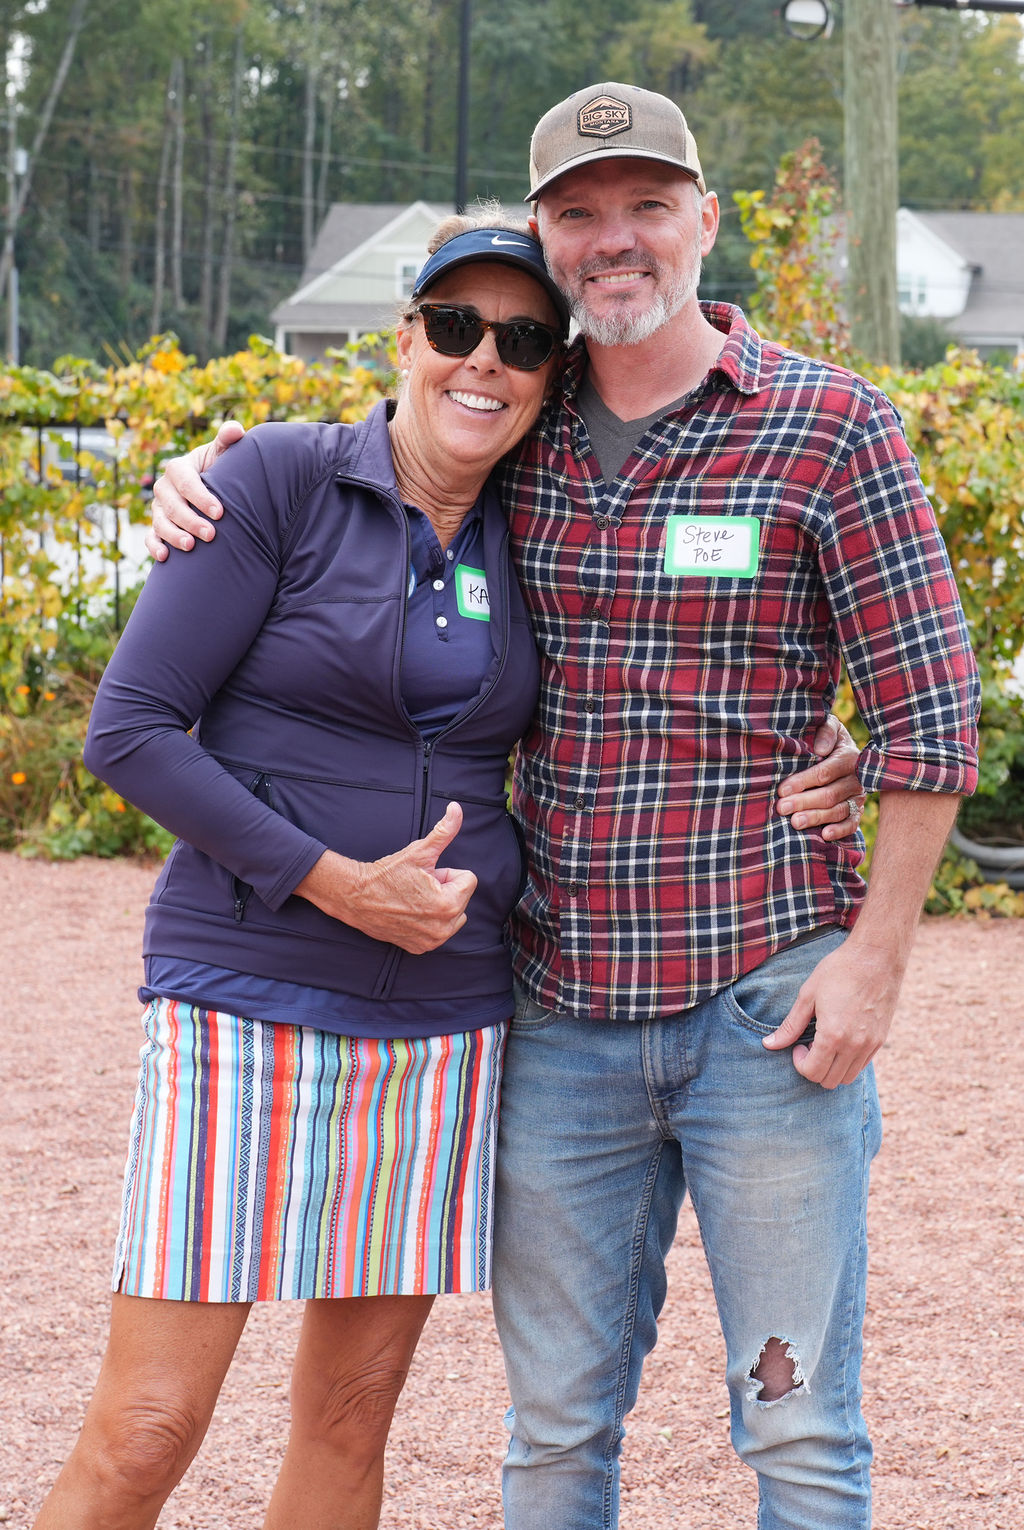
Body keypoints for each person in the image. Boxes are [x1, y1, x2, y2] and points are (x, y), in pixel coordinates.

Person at [143, 82, 963, 1530]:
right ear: (546, 235)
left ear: (705, 219)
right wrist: (205, 464)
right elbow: (381, 447)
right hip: (561, 1011)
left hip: (768, 1000)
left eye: (648, 204)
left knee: (798, 1427)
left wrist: (878, 957)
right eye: (579, 213)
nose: (615, 238)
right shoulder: (526, 416)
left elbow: (932, 712)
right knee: (555, 1430)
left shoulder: (832, 427)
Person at [35, 220, 574, 1530]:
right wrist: (335, 881)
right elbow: (130, 728)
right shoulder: (277, 477)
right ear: (404, 339)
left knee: (348, 1418)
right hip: (244, 997)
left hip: (443, 1022)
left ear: (552, 376)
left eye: (523, 340)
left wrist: (828, 741)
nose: (484, 360)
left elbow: (699, 647)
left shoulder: (544, 529)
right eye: (456, 326)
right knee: (148, 1428)